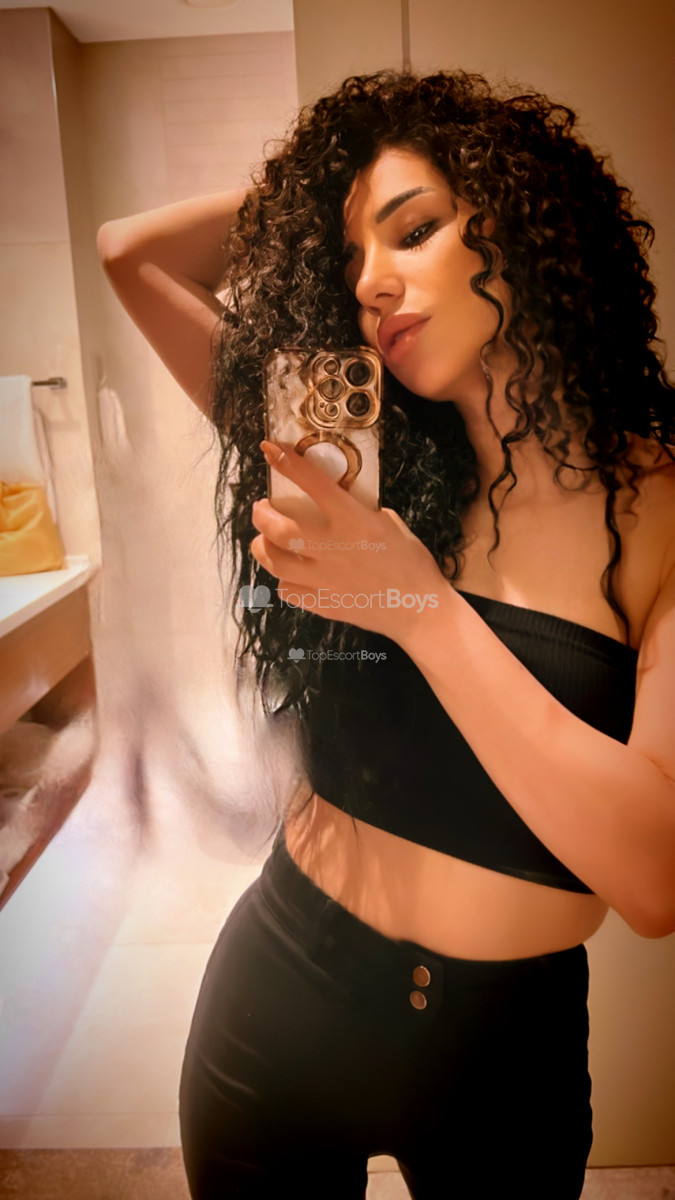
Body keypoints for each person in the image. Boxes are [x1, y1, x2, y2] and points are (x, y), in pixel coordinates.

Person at [97, 69, 675, 1200]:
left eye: (413, 231)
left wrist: (418, 607)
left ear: (525, 217)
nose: (371, 282)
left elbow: (655, 879)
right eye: (350, 259)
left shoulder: (658, 510)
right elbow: (132, 255)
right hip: (283, 1001)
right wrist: (322, 191)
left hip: (504, 1060)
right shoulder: (357, 471)